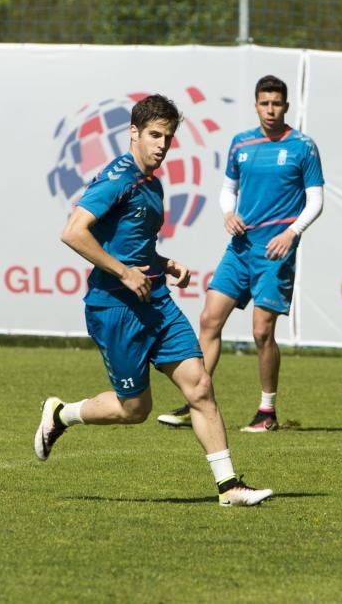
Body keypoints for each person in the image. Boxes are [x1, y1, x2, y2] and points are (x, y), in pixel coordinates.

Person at [34, 94, 272, 507]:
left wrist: (164, 263)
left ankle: (229, 485)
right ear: (134, 134)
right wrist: (124, 273)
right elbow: (73, 231)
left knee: (199, 385)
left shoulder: (154, 183)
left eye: (169, 136)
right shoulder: (117, 178)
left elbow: (131, 245)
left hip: (155, 301)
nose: (162, 144)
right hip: (115, 308)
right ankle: (61, 414)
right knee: (134, 410)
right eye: (154, 135)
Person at [157, 75, 325, 433]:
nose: (270, 109)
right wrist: (228, 213)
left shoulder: (302, 146)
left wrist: (292, 232)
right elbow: (228, 188)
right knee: (209, 320)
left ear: (286, 106)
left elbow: (316, 200)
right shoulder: (241, 143)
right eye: (264, 103)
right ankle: (196, 399)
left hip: (274, 253)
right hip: (240, 249)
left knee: (262, 333)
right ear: (255, 105)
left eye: (276, 103)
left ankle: (267, 411)